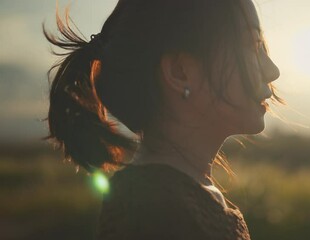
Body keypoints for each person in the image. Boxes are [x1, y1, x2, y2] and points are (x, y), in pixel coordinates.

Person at [43, 0, 282, 239]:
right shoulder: (160, 215)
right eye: (252, 46)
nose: (272, 70)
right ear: (180, 72)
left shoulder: (168, 200)